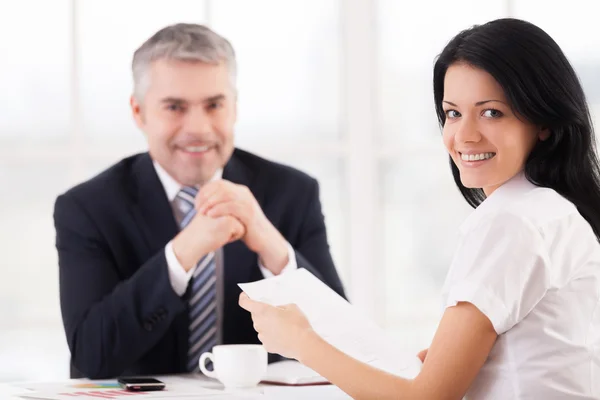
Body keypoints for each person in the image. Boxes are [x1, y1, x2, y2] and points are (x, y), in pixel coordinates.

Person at [239, 18, 600, 399]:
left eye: (491, 112)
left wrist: (301, 343)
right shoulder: (556, 210)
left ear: (542, 120)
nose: (464, 135)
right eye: (453, 113)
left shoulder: (512, 220)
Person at [53, 23, 345, 379]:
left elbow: (344, 344)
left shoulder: (293, 193)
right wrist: (181, 254)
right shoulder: (88, 209)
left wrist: (273, 247)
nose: (199, 128)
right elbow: (91, 357)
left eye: (214, 105)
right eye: (175, 107)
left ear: (234, 108)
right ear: (138, 112)